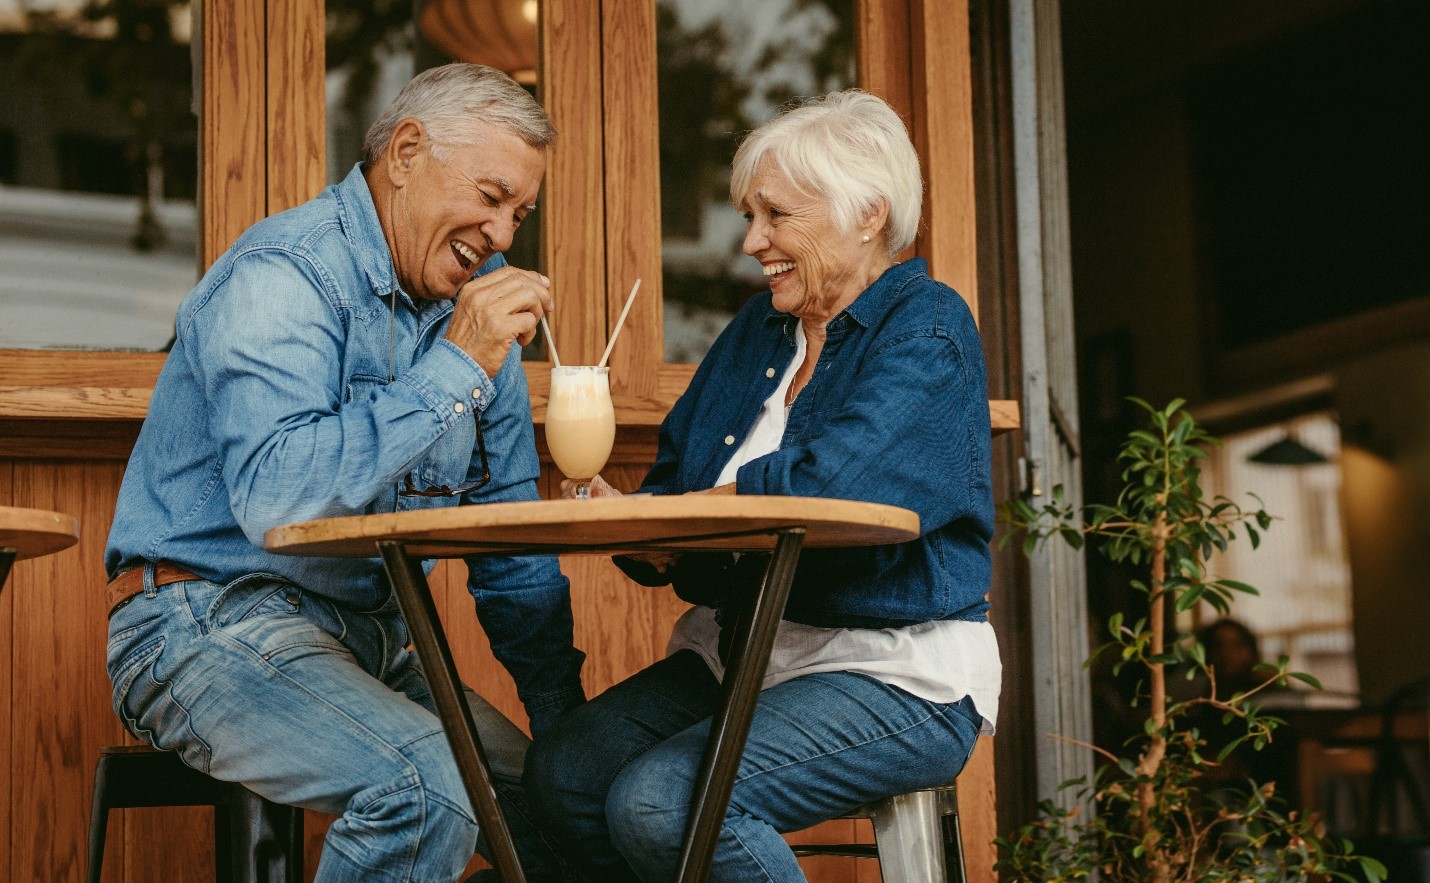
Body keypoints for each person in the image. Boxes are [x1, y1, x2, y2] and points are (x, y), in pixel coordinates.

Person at [104, 63, 584, 882]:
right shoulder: (284, 275)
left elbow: (508, 542)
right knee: (427, 788)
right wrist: (456, 364)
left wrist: (568, 732)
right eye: (491, 196)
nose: (504, 235)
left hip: (369, 643)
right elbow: (279, 496)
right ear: (405, 151)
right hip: (197, 622)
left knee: (567, 813)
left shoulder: (478, 310)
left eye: (521, 213)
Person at [523, 89, 1001, 882]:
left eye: (776, 215)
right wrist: (643, 530)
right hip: (744, 654)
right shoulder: (757, 332)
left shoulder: (928, 327)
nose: (752, 241)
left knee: (661, 802)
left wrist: (681, 515)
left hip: (893, 669)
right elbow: (677, 481)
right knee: (566, 773)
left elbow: (830, 486)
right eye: (749, 215)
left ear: (867, 213)